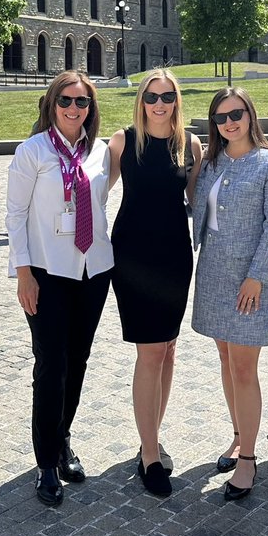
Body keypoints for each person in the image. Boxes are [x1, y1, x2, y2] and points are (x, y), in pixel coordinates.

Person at [6, 70, 114, 506]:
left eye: (82, 102)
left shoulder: (101, 153)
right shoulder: (32, 152)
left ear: (91, 109)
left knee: (79, 359)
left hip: (93, 269)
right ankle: (46, 462)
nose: (74, 109)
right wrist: (24, 273)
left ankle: (63, 437)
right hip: (48, 272)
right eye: (66, 101)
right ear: (52, 105)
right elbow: (15, 216)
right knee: (50, 365)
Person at [192, 87, 268, 501]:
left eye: (236, 114)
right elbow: (198, 211)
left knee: (245, 368)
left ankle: (248, 458)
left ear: (250, 114)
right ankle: (237, 436)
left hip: (248, 279)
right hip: (212, 272)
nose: (229, 122)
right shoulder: (212, 162)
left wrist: (258, 275)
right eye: (220, 117)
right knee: (225, 359)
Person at [108, 70, 202, 497]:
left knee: (168, 349)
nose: (159, 104)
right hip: (133, 259)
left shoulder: (191, 145)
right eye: (151, 96)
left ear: (176, 100)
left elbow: (201, 205)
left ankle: (153, 435)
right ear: (141, 100)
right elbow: (90, 191)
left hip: (174, 258)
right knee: (150, 354)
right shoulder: (123, 142)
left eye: (167, 96)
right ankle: (148, 453)